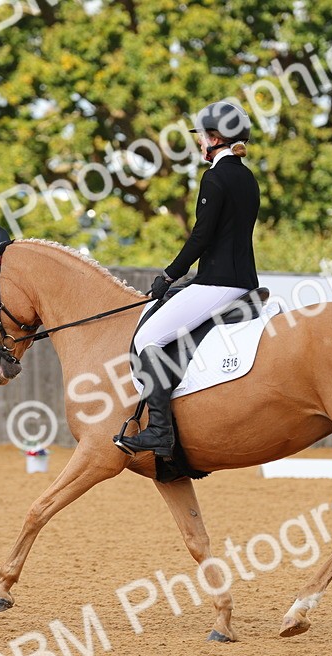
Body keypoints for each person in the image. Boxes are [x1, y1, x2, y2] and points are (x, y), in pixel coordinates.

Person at [113, 100, 260, 460]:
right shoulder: (247, 177)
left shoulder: (215, 177)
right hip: (244, 281)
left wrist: (169, 274)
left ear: (214, 138)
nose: (198, 144)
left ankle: (160, 432)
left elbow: (202, 236)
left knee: (148, 336)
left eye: (202, 138)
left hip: (218, 283)